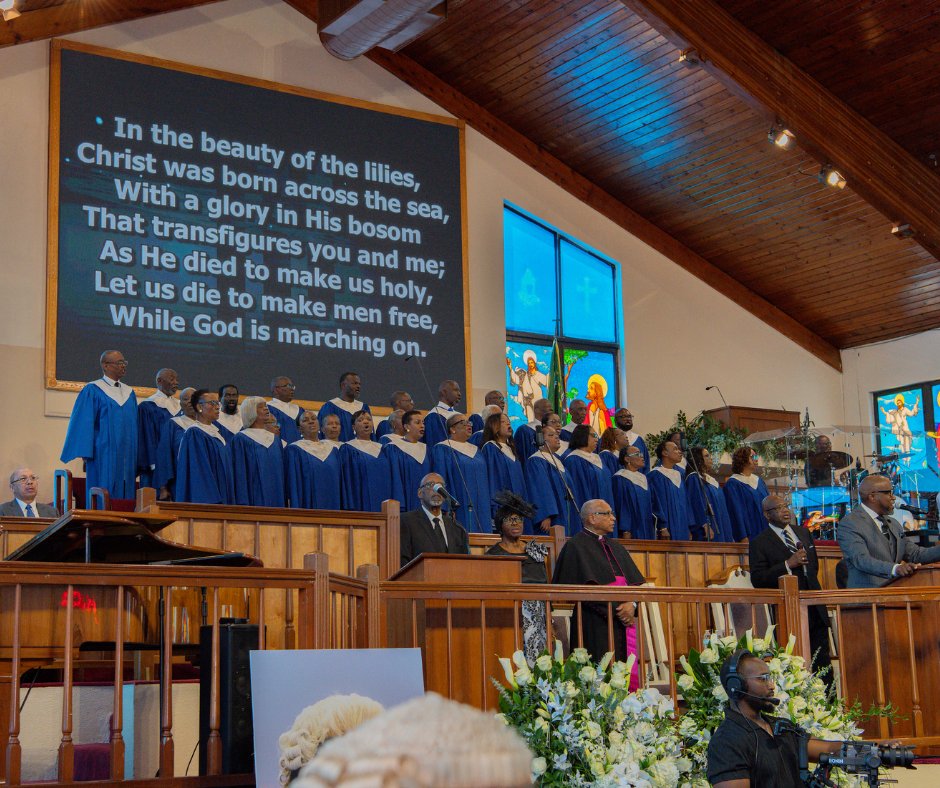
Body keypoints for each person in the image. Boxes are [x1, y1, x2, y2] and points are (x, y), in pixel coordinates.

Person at [707, 651, 843, 787]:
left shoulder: (781, 726)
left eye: (770, 678)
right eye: (762, 678)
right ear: (736, 685)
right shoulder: (726, 742)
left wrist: (858, 752)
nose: (772, 685)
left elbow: (828, 749)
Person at [552, 500, 644, 683]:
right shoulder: (575, 546)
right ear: (592, 518)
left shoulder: (616, 547)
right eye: (608, 514)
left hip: (623, 621)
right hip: (593, 622)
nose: (614, 518)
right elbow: (576, 590)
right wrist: (619, 608)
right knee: (597, 675)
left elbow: (636, 584)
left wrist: (632, 604)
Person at [751, 496, 833, 688]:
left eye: (786, 506)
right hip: (786, 611)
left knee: (822, 662)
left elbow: (814, 568)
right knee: (793, 663)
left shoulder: (803, 533)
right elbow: (758, 579)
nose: (785, 510)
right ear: (767, 515)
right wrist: (788, 564)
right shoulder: (760, 542)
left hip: (814, 607)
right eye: (778, 508)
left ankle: (828, 706)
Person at [60, 350, 138, 506]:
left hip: (127, 456)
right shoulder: (93, 390)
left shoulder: (130, 393)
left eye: (124, 363)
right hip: (103, 454)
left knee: (126, 491)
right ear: (106, 365)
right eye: (119, 363)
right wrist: (85, 454)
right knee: (103, 490)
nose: (123, 366)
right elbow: (83, 423)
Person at [837, 474, 940, 587]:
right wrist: (895, 568)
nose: (893, 497)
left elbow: (915, 554)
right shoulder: (850, 523)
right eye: (888, 493)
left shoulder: (893, 524)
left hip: (894, 595)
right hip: (867, 598)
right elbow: (861, 559)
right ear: (872, 497)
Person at [486, 490, 549, 664]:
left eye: (519, 519)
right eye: (510, 519)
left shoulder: (535, 551)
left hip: (538, 616)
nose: (516, 523)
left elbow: (546, 585)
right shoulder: (493, 555)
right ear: (500, 525)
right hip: (507, 615)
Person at [430, 413, 490, 533]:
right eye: (463, 423)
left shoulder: (476, 450)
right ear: (452, 429)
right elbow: (440, 480)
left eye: (469, 422)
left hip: (482, 505)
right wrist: (444, 507)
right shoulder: (442, 448)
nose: (468, 425)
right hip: (459, 504)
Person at [175, 389, 234, 505]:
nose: (217, 407)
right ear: (199, 406)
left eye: (218, 403)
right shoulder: (195, 434)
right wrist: (213, 502)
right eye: (212, 403)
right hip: (209, 500)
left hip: (223, 495)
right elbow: (199, 472)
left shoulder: (216, 433)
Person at [399, 472, 470, 567]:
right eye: (430, 485)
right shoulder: (406, 521)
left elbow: (464, 564)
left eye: (440, 486)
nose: (436, 489)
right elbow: (403, 562)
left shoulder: (457, 528)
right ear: (420, 493)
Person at [230, 396, 286, 507]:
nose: (266, 409)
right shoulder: (241, 439)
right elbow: (239, 473)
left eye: (266, 406)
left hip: (277, 497)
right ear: (251, 411)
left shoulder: (275, 440)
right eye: (261, 407)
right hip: (253, 498)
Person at [480, 412, 529, 531]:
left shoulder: (511, 450)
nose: (508, 423)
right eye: (503, 421)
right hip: (502, 507)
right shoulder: (490, 448)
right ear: (493, 426)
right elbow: (492, 479)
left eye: (509, 421)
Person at [524, 425, 576, 535]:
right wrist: (546, 515)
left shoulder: (558, 461)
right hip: (552, 518)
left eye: (557, 435)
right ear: (541, 439)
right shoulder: (536, 460)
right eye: (551, 435)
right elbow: (540, 489)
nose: (557, 437)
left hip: (564, 511)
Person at [288, 411, 343, 510]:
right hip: (308, 506)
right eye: (305, 420)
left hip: (334, 504)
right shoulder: (295, 450)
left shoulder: (333, 449)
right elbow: (294, 485)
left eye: (314, 419)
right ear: (299, 429)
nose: (311, 422)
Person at [339, 409, 390, 512]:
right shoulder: (348, 449)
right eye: (361, 420)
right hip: (360, 499)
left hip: (384, 496)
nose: (366, 422)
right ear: (353, 427)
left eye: (369, 419)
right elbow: (348, 480)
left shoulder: (383, 449)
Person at [136, 367, 180, 489]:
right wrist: (155, 465)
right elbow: (147, 439)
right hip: (157, 466)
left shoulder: (179, 407)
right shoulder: (148, 407)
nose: (176, 382)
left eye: (177, 379)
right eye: (172, 379)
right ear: (159, 381)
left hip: (177, 464)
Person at [382, 410, 431, 512]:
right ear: (406, 426)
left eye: (423, 423)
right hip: (406, 499)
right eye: (417, 422)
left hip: (426, 500)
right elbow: (394, 478)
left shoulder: (427, 449)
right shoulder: (394, 448)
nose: (422, 426)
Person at [153, 386, 196, 500]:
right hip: (179, 479)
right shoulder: (173, 425)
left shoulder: (209, 428)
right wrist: (163, 487)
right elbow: (164, 455)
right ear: (180, 404)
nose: (190, 402)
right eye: (186, 399)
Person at [685, 446, 734, 542]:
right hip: (708, 528)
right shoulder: (694, 478)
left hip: (722, 525)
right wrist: (704, 524)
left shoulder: (710, 479)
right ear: (698, 459)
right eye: (706, 456)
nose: (710, 458)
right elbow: (696, 503)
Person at [563, 425, 614, 515]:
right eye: (593, 435)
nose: (597, 439)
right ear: (582, 436)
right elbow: (579, 492)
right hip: (591, 514)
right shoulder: (574, 460)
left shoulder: (598, 458)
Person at [724, 446, 770, 541]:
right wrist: (742, 536)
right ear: (742, 460)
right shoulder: (733, 484)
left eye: (756, 457)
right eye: (753, 457)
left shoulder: (759, 481)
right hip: (750, 534)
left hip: (766, 531)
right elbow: (736, 513)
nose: (756, 459)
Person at [648, 440, 691, 540]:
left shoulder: (679, 475)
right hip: (666, 528)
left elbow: (686, 504)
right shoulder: (655, 475)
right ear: (665, 453)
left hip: (682, 528)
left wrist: (688, 527)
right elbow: (656, 503)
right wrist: (662, 527)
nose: (680, 452)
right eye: (675, 449)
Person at [612, 446, 654, 539]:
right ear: (627, 459)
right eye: (637, 454)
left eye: (641, 454)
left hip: (647, 526)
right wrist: (625, 529)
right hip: (631, 528)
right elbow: (621, 505)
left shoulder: (643, 478)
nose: (642, 457)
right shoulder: (620, 477)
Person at [318, 372, 370, 442]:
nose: (358, 386)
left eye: (359, 384)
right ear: (343, 385)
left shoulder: (364, 407)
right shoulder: (330, 407)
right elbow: (323, 434)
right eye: (354, 383)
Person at [507, 350, 548, 422]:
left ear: (534, 363)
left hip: (537, 399)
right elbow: (516, 379)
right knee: (531, 420)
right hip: (528, 400)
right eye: (529, 363)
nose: (530, 364)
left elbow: (547, 381)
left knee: (540, 419)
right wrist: (510, 367)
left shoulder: (538, 374)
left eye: (532, 362)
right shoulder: (524, 375)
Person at [422, 379, 463, 447]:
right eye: (455, 390)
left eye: (459, 390)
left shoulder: (458, 415)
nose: (459, 394)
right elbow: (436, 444)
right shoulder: (434, 416)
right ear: (444, 392)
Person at [512, 397, 551, 468]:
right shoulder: (524, 430)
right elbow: (521, 456)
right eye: (546, 407)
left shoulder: (554, 430)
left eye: (551, 408)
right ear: (536, 410)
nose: (550, 410)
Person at [267, 376, 304, 444]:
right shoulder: (267, 408)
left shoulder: (300, 411)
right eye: (288, 386)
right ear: (276, 389)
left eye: (292, 386)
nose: (292, 389)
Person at [614, 408, 650, 473]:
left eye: (629, 416)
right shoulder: (610, 439)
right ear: (615, 420)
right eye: (623, 416)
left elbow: (646, 463)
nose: (628, 419)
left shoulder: (638, 440)